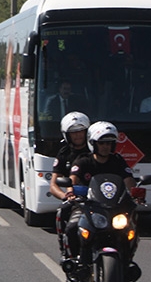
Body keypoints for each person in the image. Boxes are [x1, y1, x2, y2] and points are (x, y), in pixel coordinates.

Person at [63, 122, 142, 270]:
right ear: (93, 143)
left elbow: (129, 180)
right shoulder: (84, 160)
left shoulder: (117, 161)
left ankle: (127, 260)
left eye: (110, 143)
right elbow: (73, 179)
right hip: (88, 206)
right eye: (102, 143)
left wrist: (135, 193)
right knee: (72, 227)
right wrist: (71, 191)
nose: (106, 146)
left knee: (131, 227)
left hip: (114, 208)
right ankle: (75, 261)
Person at [49, 112, 91, 263]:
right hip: (77, 201)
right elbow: (53, 184)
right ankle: (69, 255)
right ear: (67, 135)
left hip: (100, 199)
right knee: (65, 216)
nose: (78, 136)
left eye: (81, 131)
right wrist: (66, 196)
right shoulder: (64, 153)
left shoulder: (97, 149)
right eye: (74, 133)